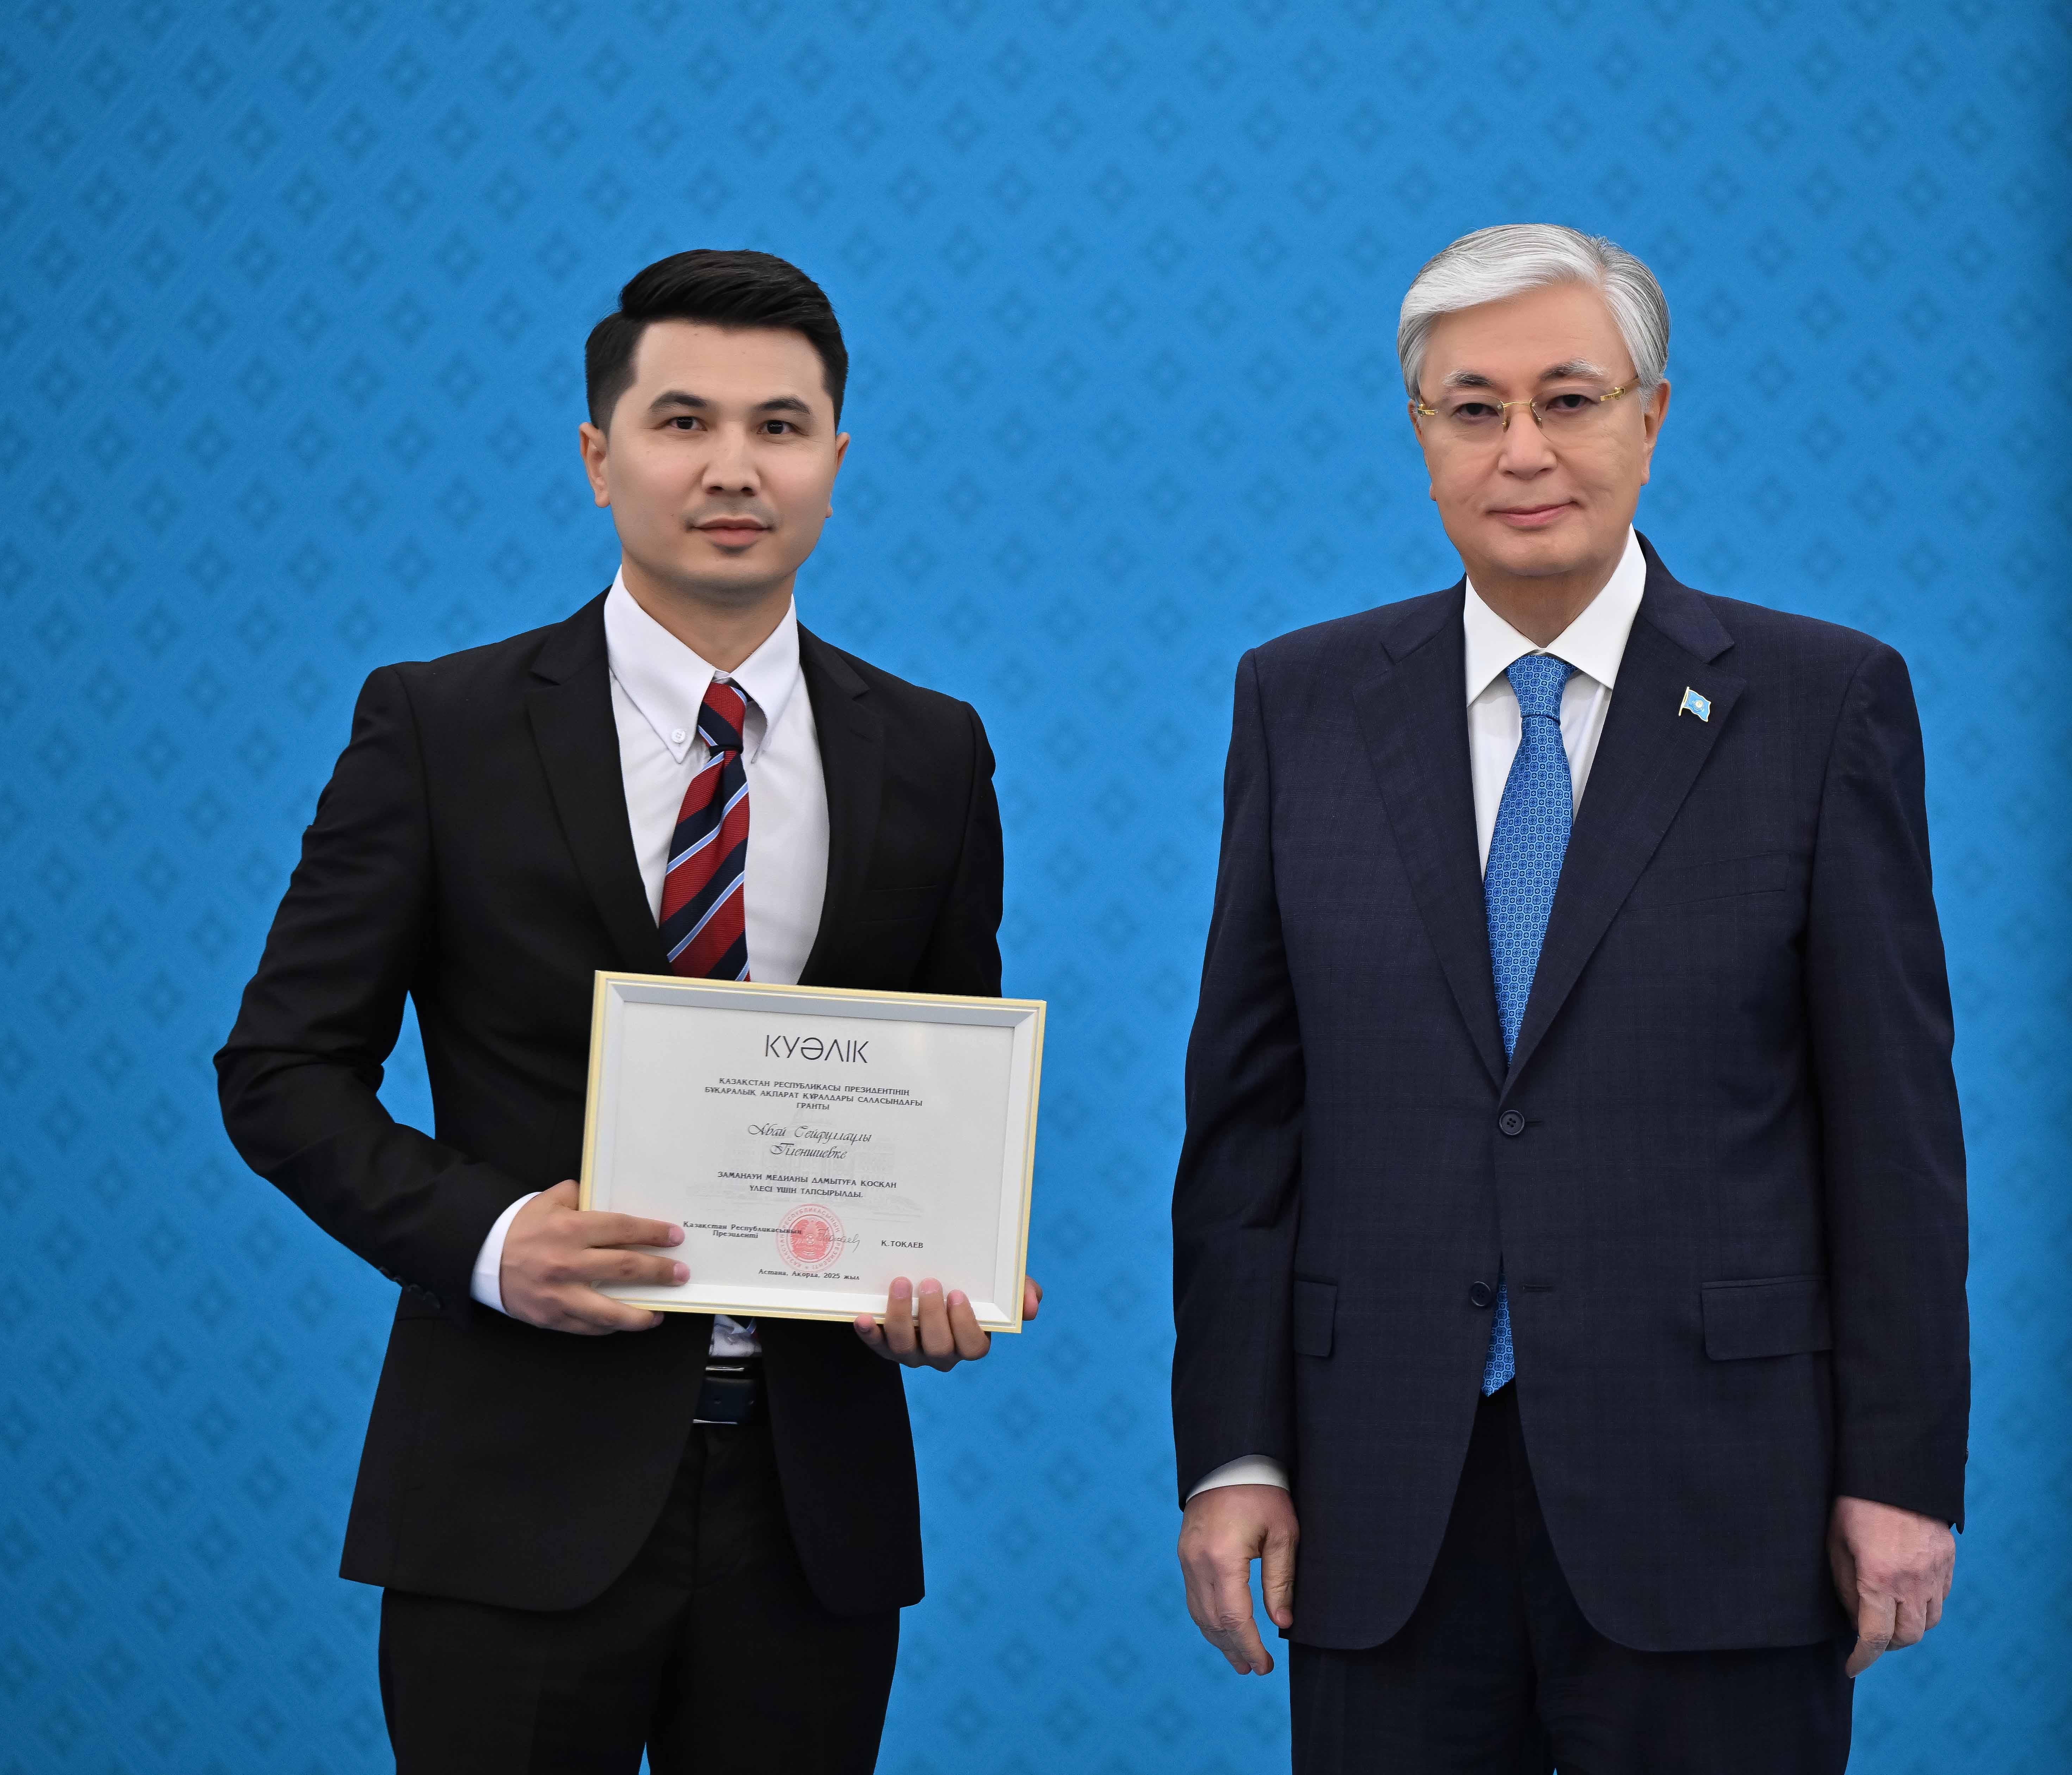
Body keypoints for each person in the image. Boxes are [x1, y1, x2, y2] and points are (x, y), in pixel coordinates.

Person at [216, 248, 1036, 1775]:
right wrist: (489, 1240)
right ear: (600, 458)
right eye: (682, 422)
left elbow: (934, 1086)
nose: (734, 467)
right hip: (508, 1493)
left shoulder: (932, 752)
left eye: (780, 427)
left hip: (815, 1511)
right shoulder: (441, 726)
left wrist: (944, 1269)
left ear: (836, 460)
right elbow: (281, 1070)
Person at [1169, 224, 1969, 1773]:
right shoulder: (1301, 700)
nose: (1521, 450)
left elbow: (1894, 1131)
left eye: (1568, 400)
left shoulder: (1819, 703)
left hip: (1719, 1495)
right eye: (1472, 409)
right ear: (1420, 436)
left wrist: (1900, 1469)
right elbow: (1248, 1125)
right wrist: (1235, 1452)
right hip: (1381, 1489)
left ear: (1649, 419)